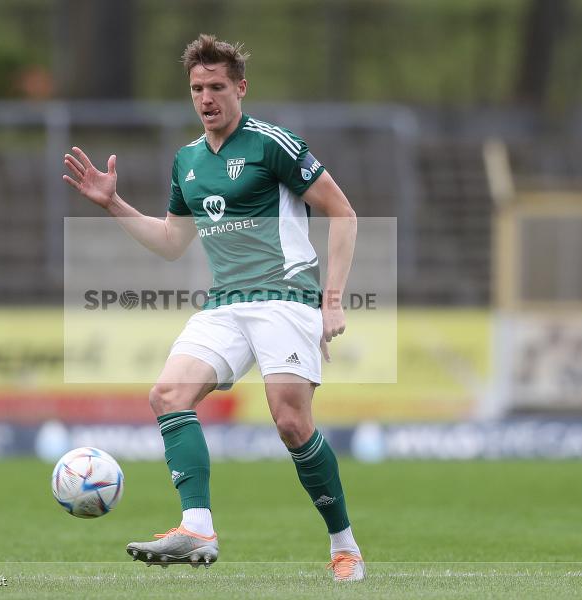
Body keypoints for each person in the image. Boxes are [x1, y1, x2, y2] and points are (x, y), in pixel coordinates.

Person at [62, 33, 363, 582]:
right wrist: (113, 204)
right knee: (167, 394)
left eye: (217, 87)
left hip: (285, 297)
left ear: (240, 88)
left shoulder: (274, 144)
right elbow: (173, 243)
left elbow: (343, 213)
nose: (206, 98)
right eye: (197, 88)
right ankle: (197, 526)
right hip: (225, 303)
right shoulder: (188, 161)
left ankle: (344, 545)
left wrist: (333, 300)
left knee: (291, 422)